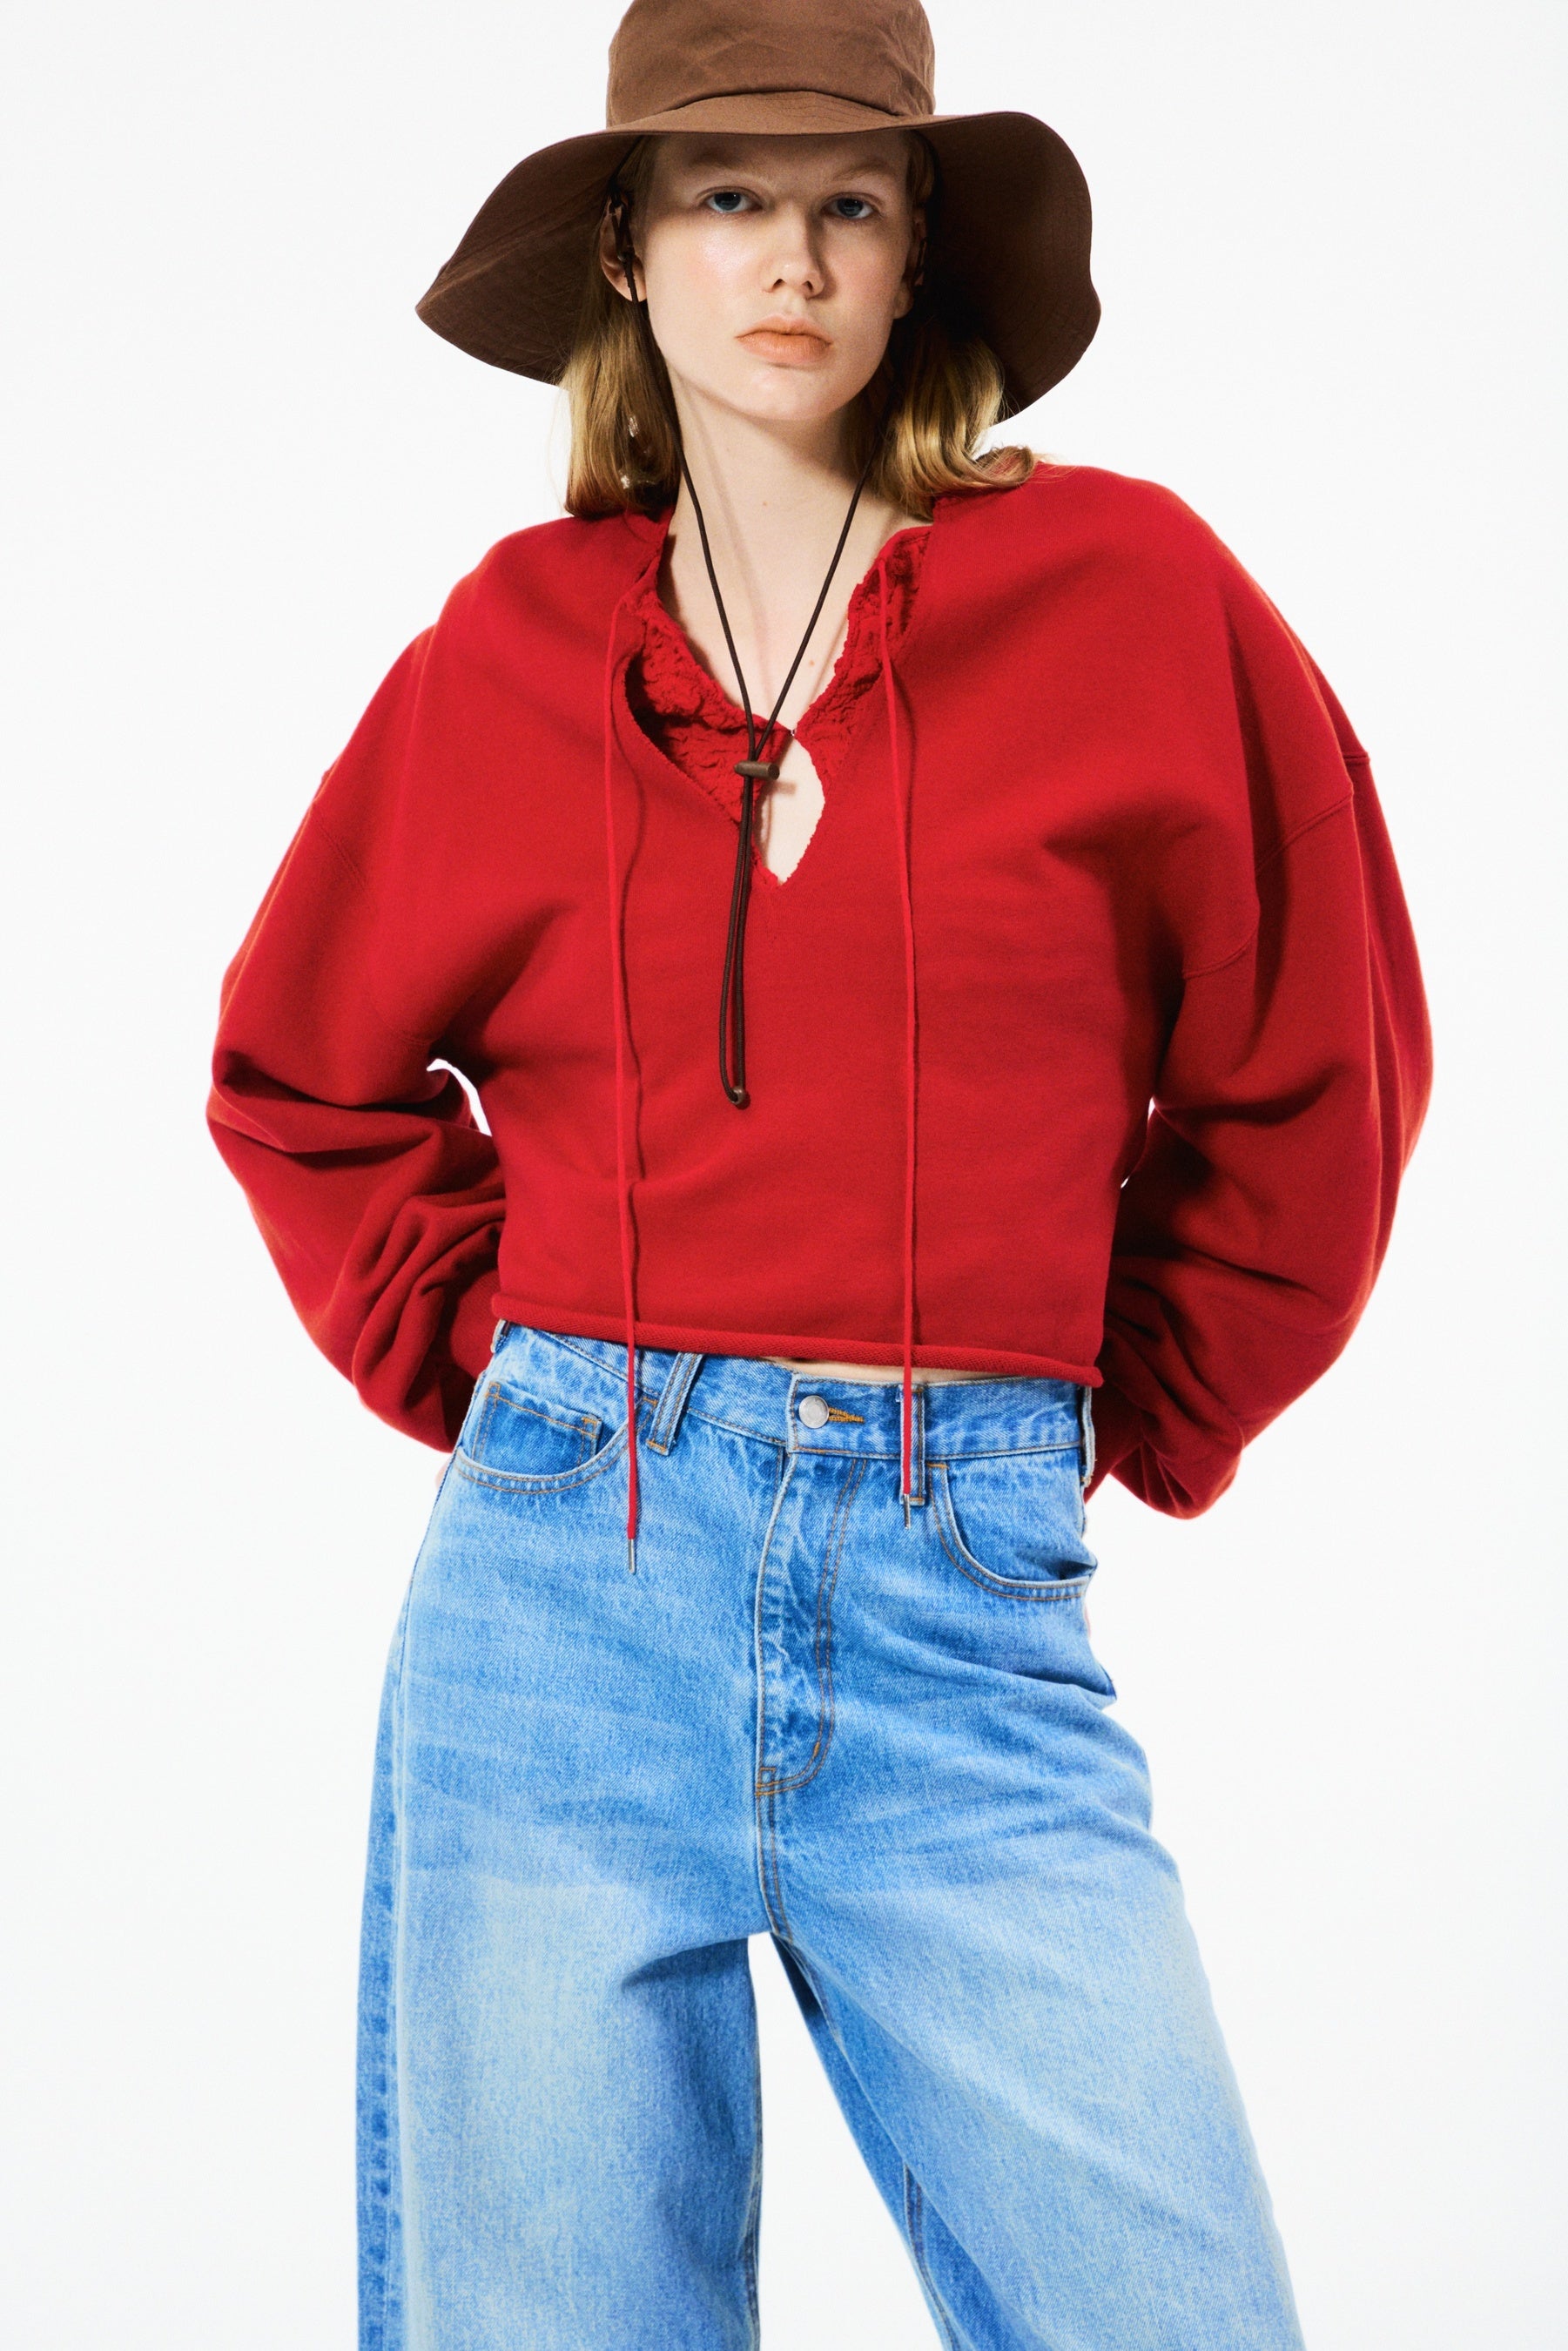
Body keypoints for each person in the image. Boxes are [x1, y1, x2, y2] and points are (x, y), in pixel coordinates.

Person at [206, 1, 1432, 2343]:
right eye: (728, 198)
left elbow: (1322, 1055)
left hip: (964, 1596)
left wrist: (1109, 1402)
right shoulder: (510, 647)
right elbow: (299, 1072)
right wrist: (506, 1370)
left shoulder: (1134, 593)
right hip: (559, 1610)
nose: (791, 257)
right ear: (626, 253)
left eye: (850, 202)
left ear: (915, 257)